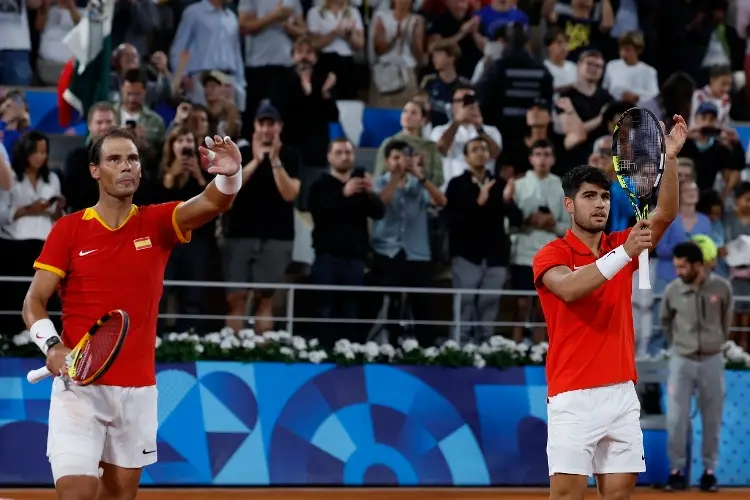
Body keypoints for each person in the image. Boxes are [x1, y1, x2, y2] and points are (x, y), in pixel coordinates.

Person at [21, 127, 243, 500]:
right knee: (75, 494)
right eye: (114, 159)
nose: (126, 166)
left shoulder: (157, 222)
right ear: (95, 170)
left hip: (137, 392)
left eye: (133, 159)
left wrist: (230, 175)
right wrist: (53, 346)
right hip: (79, 390)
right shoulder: (69, 230)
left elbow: (212, 202)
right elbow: (33, 302)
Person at [532, 115, 688, 500]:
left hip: (621, 392)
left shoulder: (621, 243)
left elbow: (665, 213)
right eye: (589, 196)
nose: (600, 204)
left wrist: (666, 158)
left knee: (617, 496)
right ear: (569, 204)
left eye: (604, 196)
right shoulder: (551, 254)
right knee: (567, 496)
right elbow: (569, 289)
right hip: (573, 394)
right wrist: (625, 253)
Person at [661, 241, 733, 492]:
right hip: (682, 360)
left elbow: (726, 321)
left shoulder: (722, 288)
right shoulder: (672, 290)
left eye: (683, 266)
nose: (679, 271)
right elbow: (665, 322)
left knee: (712, 419)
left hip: (713, 359)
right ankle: (676, 471)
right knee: (676, 419)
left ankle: (709, 472)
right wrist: (680, 345)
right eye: (676, 266)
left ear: (698, 265)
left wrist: (716, 343)